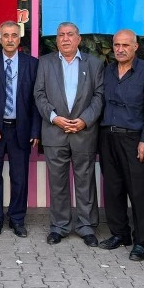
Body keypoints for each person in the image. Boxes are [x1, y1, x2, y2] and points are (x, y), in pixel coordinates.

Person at [34, 22, 104, 247]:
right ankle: (59, 226)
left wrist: (84, 120)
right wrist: (54, 117)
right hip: (55, 131)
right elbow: (39, 94)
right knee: (58, 183)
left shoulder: (94, 64)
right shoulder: (45, 63)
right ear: (56, 40)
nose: (65, 39)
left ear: (79, 39)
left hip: (84, 132)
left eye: (70, 34)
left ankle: (86, 226)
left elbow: (99, 96)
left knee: (85, 181)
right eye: (61, 35)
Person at [98, 29, 144, 261]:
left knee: (138, 191)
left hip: (134, 139)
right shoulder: (108, 71)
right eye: (117, 45)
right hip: (108, 136)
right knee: (113, 189)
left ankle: (142, 241)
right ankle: (120, 234)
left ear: (135, 47)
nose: (120, 49)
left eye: (125, 45)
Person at [0, 21, 40, 238]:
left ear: (19, 38)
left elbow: (36, 100)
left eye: (14, 35)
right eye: (5, 35)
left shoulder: (31, 64)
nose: (9, 39)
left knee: (19, 177)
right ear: (0, 39)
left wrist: (35, 131)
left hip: (21, 129)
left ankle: (17, 219)